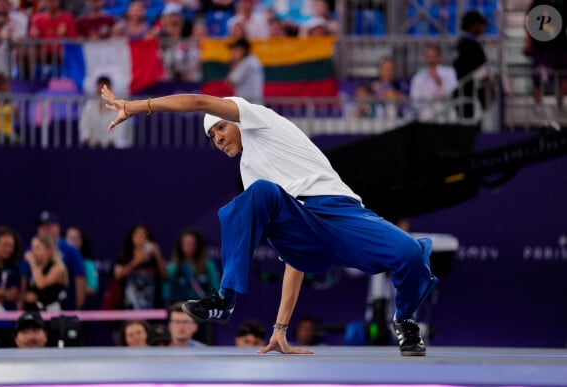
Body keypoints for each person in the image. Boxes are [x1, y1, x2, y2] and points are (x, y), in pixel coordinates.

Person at [101, 85, 438, 357]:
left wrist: (134, 107)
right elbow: (294, 259)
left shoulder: (259, 119)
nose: (217, 138)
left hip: (340, 213)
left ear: (235, 117)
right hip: (302, 229)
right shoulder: (252, 176)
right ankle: (225, 298)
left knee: (410, 254)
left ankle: (405, 320)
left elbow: (197, 100)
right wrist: (280, 329)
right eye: (212, 137)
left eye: (220, 127)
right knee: (256, 195)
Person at [19, 211, 87, 310]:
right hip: (38, 310)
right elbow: (25, 278)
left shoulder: (66, 256)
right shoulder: (30, 251)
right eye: (42, 227)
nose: (45, 230)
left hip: (59, 310)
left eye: (49, 226)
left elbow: (42, 284)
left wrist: (79, 309)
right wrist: (24, 298)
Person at [111, 223, 167, 310]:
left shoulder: (154, 259)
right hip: (128, 308)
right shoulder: (124, 258)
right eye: (138, 234)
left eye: (145, 235)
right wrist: (135, 262)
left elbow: (165, 276)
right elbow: (118, 276)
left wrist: (158, 256)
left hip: (151, 308)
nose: (141, 237)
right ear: (131, 237)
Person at [524, 0, 567, 109]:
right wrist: (529, 42)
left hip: (560, 46)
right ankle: (537, 104)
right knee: (538, 76)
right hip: (541, 46)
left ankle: (560, 102)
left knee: (564, 74)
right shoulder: (538, 3)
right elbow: (528, 22)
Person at [163, 228, 220, 306]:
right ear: (180, 246)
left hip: (203, 307)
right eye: (186, 244)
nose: (190, 247)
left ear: (198, 245)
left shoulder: (208, 264)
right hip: (180, 307)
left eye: (192, 243)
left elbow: (215, 289)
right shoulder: (173, 267)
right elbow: (167, 294)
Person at [453, 11, 492, 119]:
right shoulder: (468, 45)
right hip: (469, 95)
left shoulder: (466, 44)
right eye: (482, 24)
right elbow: (469, 70)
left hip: (471, 95)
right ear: (475, 25)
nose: (484, 28)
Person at [0, 226, 21, 348]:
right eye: (5, 245)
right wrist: (4, 293)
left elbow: (14, 294)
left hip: (6, 324)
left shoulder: (14, 268)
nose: (8, 249)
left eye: (11, 246)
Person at [79, 75, 132, 148]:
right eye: (100, 90)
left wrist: (108, 143)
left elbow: (120, 132)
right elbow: (84, 127)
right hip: (92, 147)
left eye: (104, 91)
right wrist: (89, 140)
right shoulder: (89, 106)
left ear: (110, 89)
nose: (102, 94)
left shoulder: (119, 107)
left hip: (114, 148)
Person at [409, 44, 458, 122]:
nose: (431, 60)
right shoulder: (418, 77)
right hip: (426, 114)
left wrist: (440, 84)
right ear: (425, 58)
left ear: (439, 57)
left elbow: (454, 92)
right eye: (429, 57)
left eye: (434, 57)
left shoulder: (449, 72)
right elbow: (414, 98)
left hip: (445, 112)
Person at [21, 234, 69, 312]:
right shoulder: (32, 269)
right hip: (36, 312)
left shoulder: (58, 268)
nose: (33, 251)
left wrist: (32, 262)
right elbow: (27, 291)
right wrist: (27, 296)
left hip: (54, 312)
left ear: (48, 250)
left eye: (37, 248)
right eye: (32, 247)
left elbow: (41, 284)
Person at [64, 226, 99, 301]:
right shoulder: (58, 260)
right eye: (68, 238)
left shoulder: (88, 263)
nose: (71, 242)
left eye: (74, 239)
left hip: (79, 307)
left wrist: (76, 284)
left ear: (80, 242)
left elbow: (92, 289)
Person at [226, 37, 264, 103]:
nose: (232, 53)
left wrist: (234, 62)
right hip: (255, 102)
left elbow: (231, 81)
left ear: (242, 50)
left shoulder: (246, 62)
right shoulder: (254, 60)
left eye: (235, 50)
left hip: (247, 103)